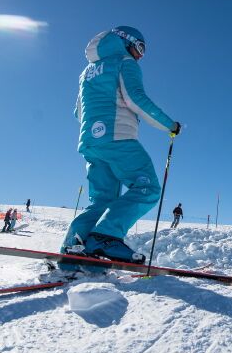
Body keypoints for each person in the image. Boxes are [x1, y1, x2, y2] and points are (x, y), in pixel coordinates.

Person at [61, 26, 180, 263]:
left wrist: (96, 130)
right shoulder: (125, 62)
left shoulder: (86, 73)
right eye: (140, 47)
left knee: (103, 199)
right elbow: (135, 98)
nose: (140, 55)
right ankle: (106, 237)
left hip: (90, 143)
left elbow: (78, 112)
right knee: (147, 188)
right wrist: (170, 125)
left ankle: (75, 246)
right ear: (125, 41)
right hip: (118, 137)